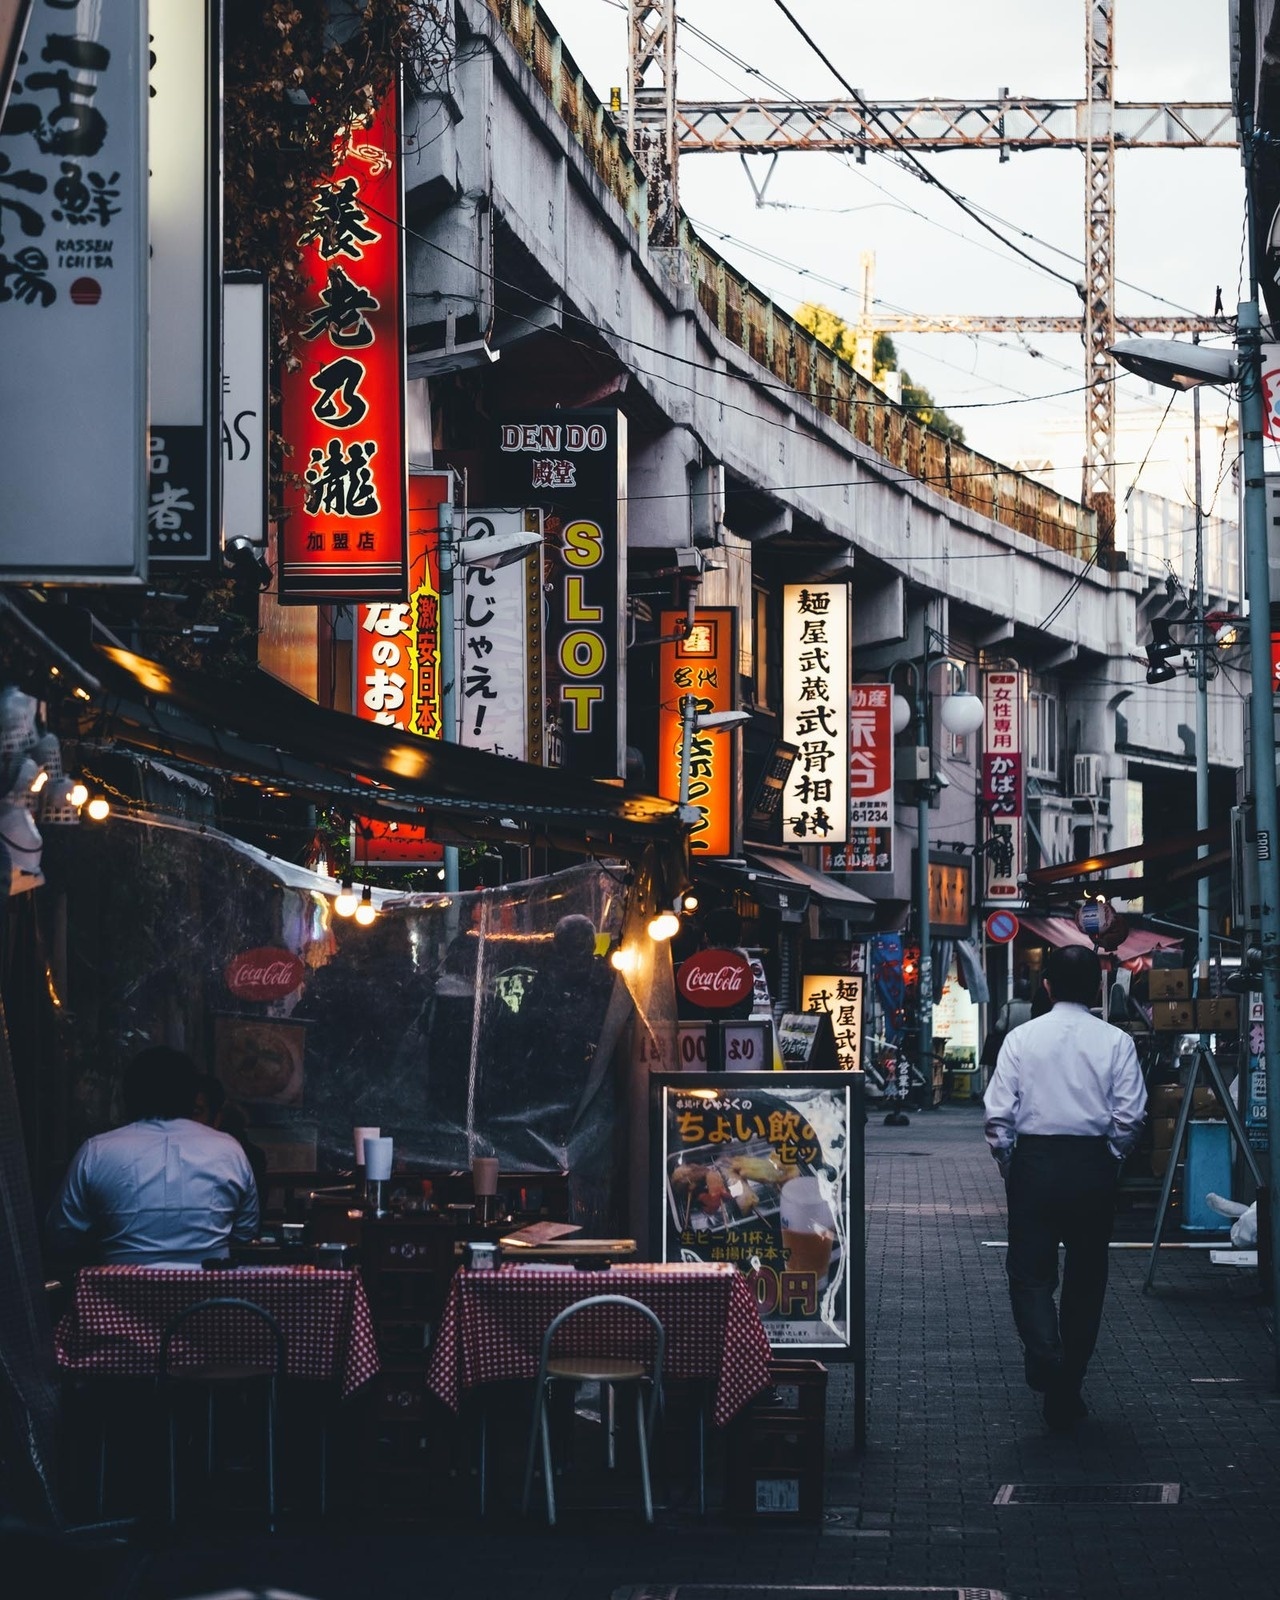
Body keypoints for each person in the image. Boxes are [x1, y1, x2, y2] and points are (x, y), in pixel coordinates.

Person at [983, 944, 1146, 1430]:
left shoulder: (1021, 1038)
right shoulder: (1115, 1040)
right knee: (1086, 1277)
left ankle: (1045, 1353)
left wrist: (1010, 1160)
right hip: (1091, 1163)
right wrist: (1111, 1156)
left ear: (1047, 985)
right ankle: (1067, 1381)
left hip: (1035, 1161)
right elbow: (1130, 1115)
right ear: (1098, 987)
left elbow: (998, 1114)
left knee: (1030, 1272)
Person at [47, 1046, 259, 1265]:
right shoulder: (228, 1149)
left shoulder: (97, 1151)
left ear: (129, 1095)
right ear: (191, 1095)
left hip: (119, 1294)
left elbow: (62, 1234)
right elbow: (245, 1233)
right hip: (210, 1295)